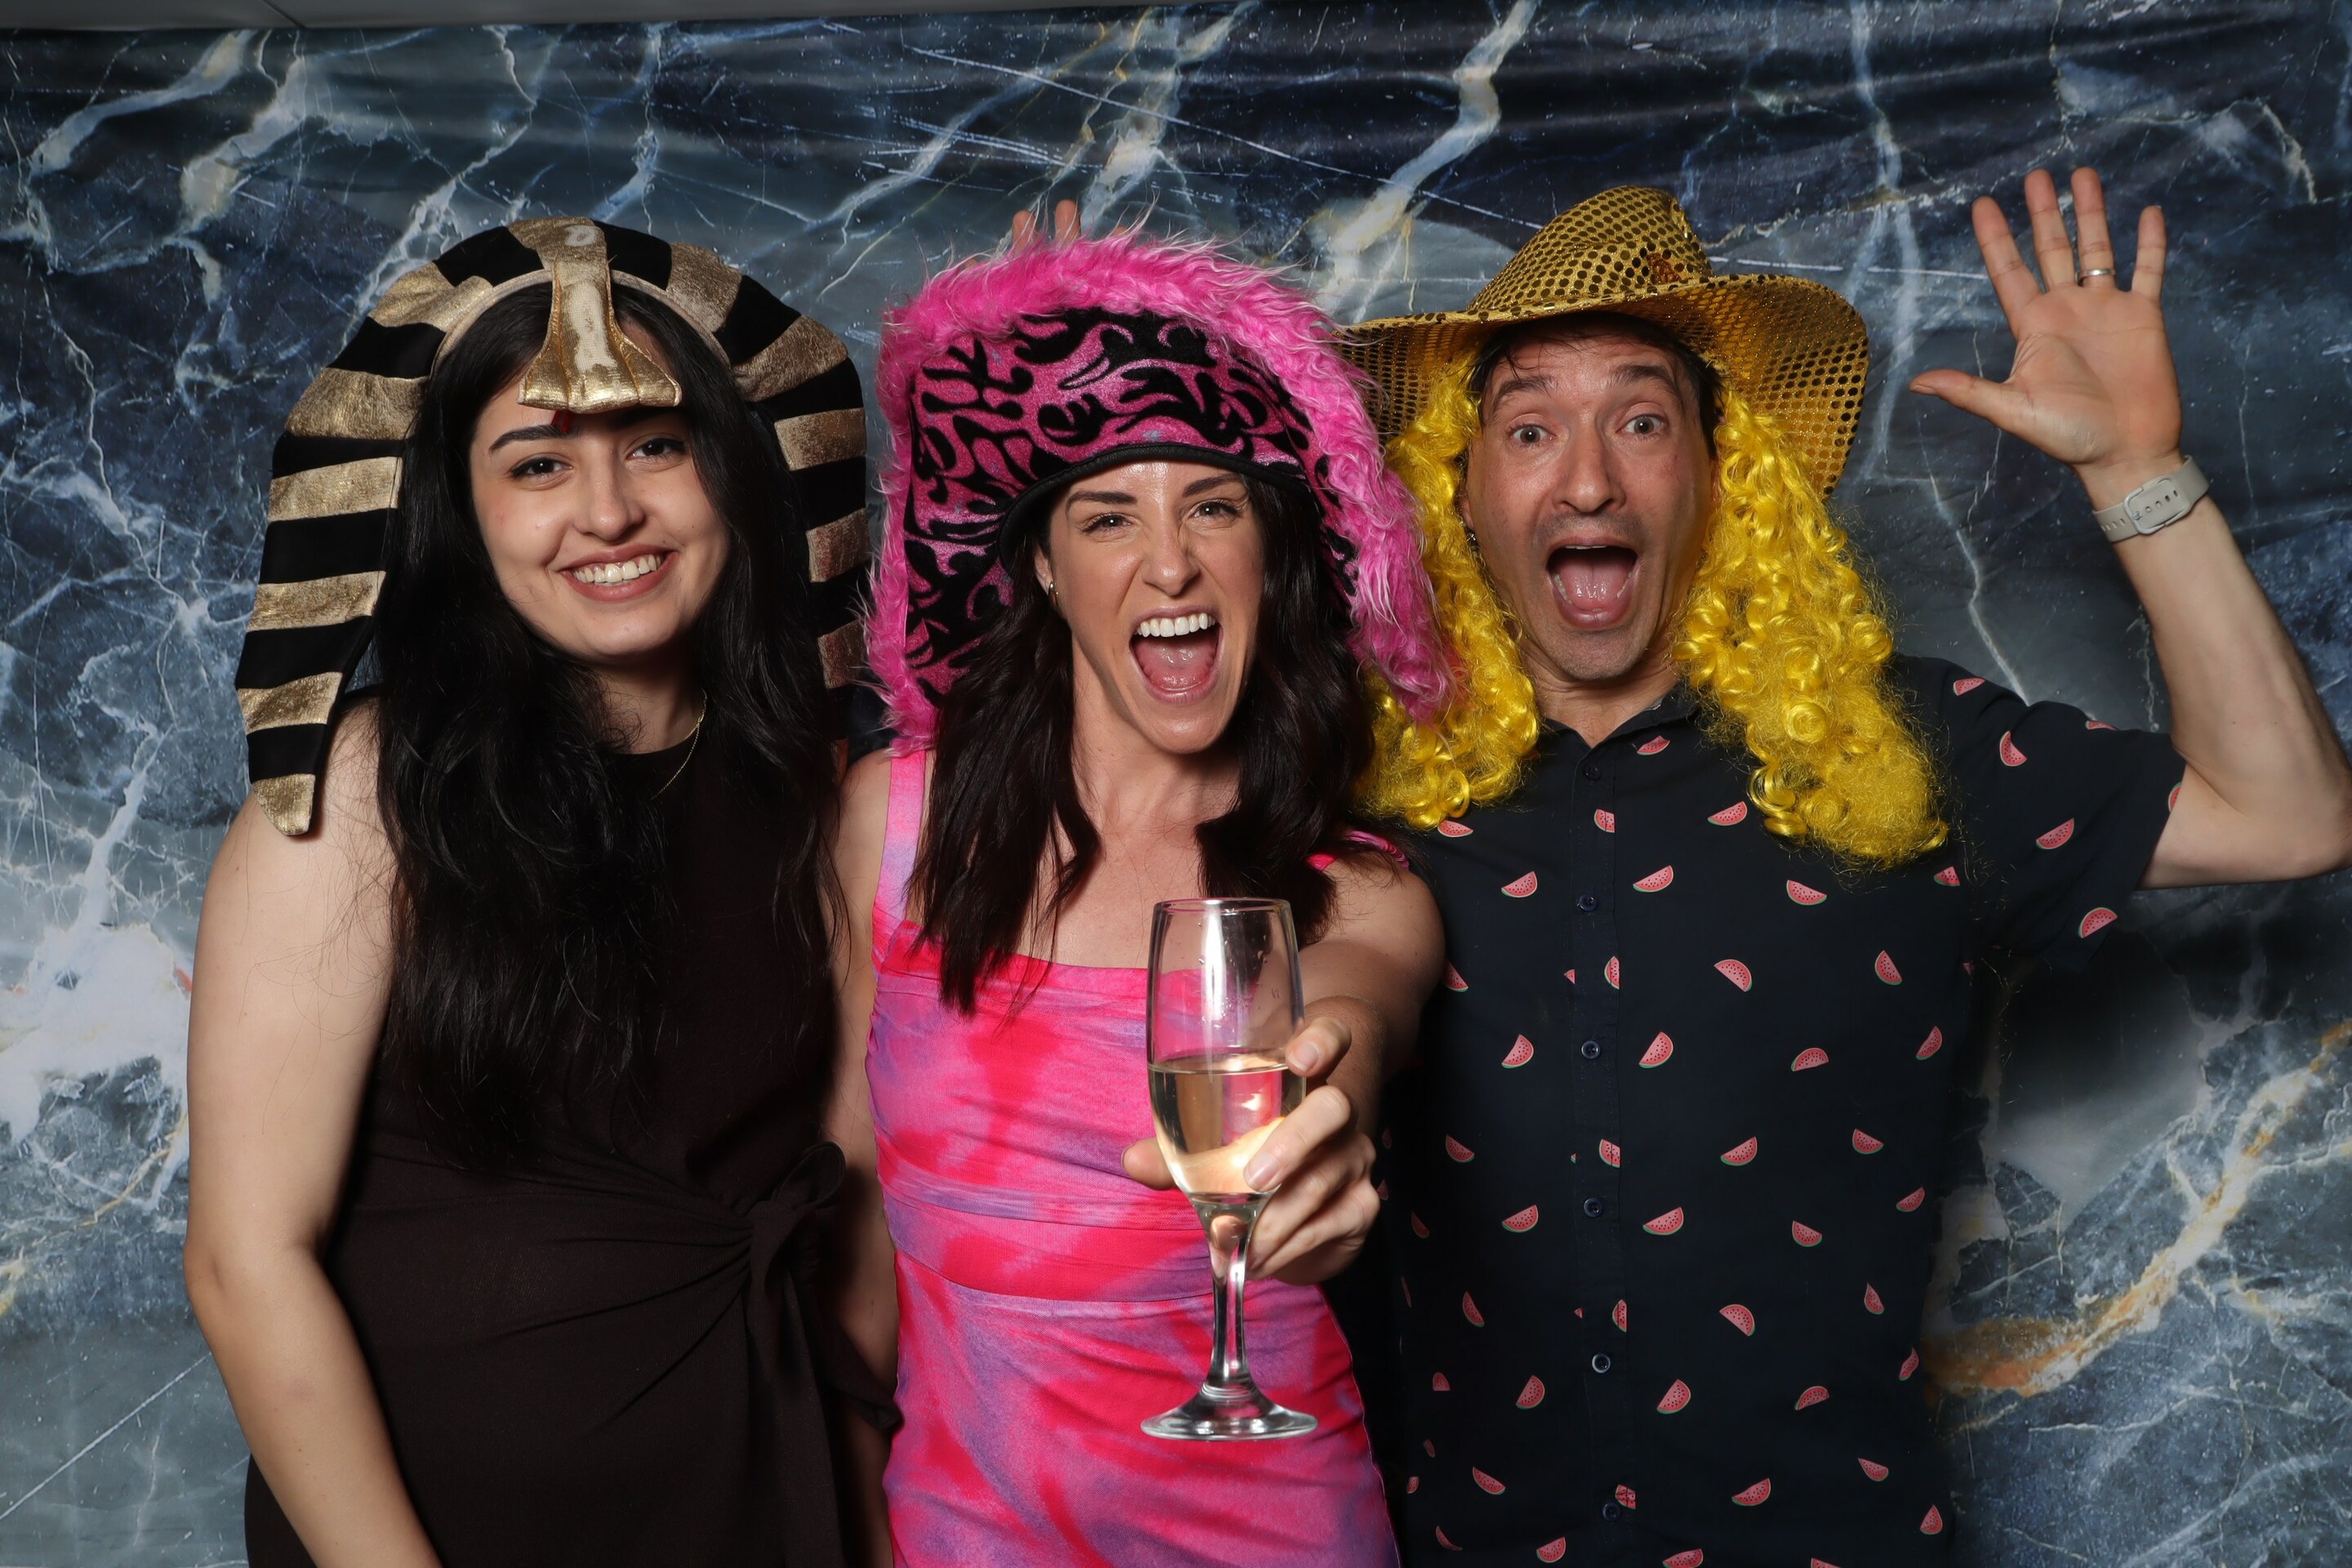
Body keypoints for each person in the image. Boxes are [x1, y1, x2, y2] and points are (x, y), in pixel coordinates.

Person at [1336, 173, 2352, 1566]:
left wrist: (2137, 472)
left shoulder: (1905, 752)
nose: (1588, 479)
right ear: (1458, 491)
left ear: (1718, 477)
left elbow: (2288, 816)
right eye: (1529, 427)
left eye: (1642, 420)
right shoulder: (1354, 793)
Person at [182, 219, 887, 1568]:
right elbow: (245, 1260)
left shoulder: (815, 789)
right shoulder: (366, 792)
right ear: (462, 507)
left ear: (731, 470)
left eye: (657, 446)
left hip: (756, 1506)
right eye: (539, 463)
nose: (609, 513)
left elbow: (853, 1204)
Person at [825, 225, 1462, 1566]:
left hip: (1273, 1521)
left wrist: (1326, 1114)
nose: (1168, 566)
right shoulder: (894, 826)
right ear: (1042, 567)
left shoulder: (1355, 893)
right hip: (960, 1528)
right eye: (1109, 515)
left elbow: (1352, 1022)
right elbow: (850, 1202)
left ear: (1269, 551)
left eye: (1212, 507)